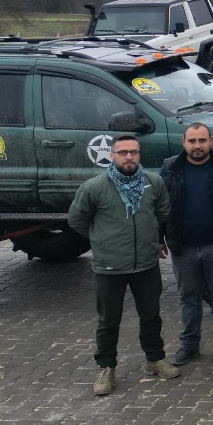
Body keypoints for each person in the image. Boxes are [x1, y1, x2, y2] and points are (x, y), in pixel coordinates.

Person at [69, 133, 180, 396]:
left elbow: (163, 212)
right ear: (112, 155)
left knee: (151, 315)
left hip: (146, 264)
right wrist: (101, 240)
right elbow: (77, 219)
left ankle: (155, 358)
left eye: (134, 152)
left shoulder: (153, 182)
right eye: (123, 152)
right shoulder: (94, 187)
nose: (129, 156)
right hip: (110, 266)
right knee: (108, 320)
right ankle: (105, 366)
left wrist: (150, 236)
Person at [160, 122, 213, 367]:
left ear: (211, 141)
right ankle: (189, 345)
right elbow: (159, 205)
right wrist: (158, 237)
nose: (197, 146)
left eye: (202, 141)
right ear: (183, 142)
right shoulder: (170, 168)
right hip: (182, 247)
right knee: (188, 298)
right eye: (192, 141)